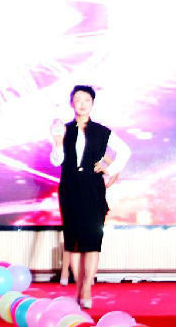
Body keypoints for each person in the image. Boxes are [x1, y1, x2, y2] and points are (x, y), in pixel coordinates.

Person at [49, 84, 131, 309]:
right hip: (70, 188)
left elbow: (125, 151)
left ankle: (87, 288)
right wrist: (58, 142)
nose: (82, 104)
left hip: (93, 189)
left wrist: (109, 168)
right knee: (74, 241)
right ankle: (78, 287)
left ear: (92, 103)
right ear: (71, 103)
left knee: (93, 240)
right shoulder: (63, 129)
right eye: (78, 100)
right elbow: (56, 160)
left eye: (86, 100)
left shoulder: (102, 131)